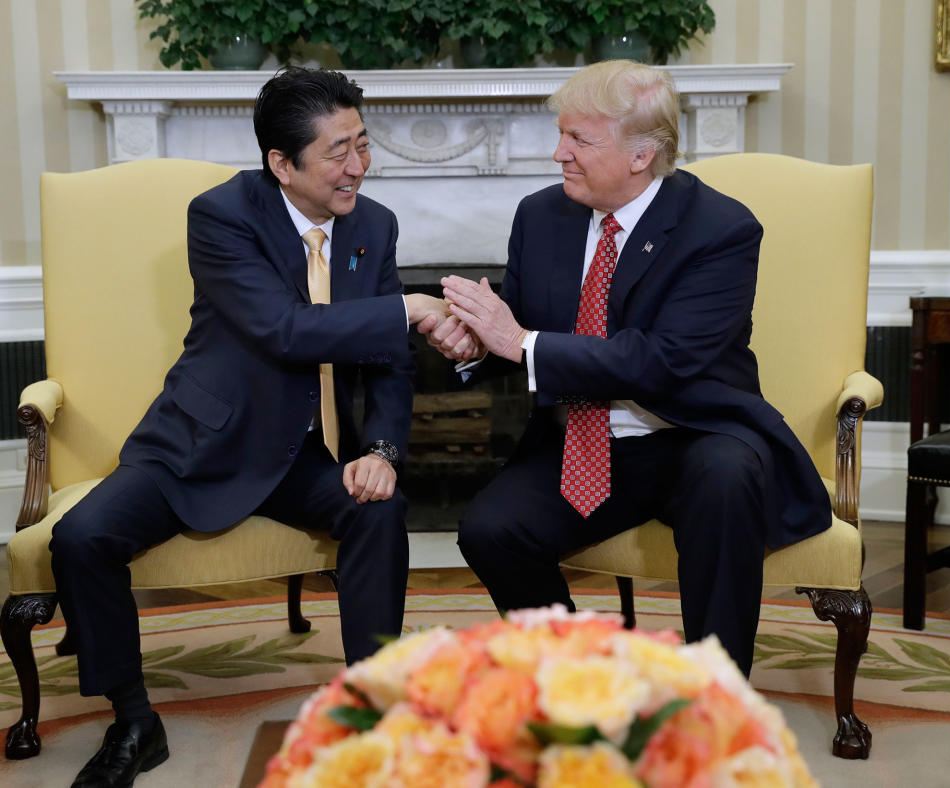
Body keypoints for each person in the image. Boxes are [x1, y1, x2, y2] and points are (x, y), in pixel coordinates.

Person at [50, 67, 448, 788]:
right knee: (80, 539)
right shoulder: (222, 215)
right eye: (337, 151)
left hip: (305, 453)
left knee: (381, 511)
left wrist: (383, 450)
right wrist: (410, 308)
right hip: (204, 441)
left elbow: (387, 363)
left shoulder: (374, 224)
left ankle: (369, 708)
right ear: (281, 164)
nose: (358, 165)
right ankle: (134, 719)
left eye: (363, 143)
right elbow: (283, 330)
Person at [426, 60, 831, 679]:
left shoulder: (719, 229)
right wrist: (476, 345)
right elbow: (522, 328)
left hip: (693, 433)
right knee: (489, 528)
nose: (558, 153)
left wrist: (519, 341)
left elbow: (662, 362)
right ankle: (582, 678)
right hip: (584, 442)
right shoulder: (542, 215)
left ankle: (716, 696)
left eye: (578, 139)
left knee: (725, 479)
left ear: (642, 155)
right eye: (561, 134)